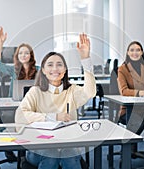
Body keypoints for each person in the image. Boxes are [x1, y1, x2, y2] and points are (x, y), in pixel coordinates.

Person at [15, 33, 96, 169]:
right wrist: (52, 117)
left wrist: (85, 58)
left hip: (67, 144)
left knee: (68, 154)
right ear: (44, 71)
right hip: (39, 146)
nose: (55, 69)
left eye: (59, 65)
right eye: (50, 65)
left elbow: (90, 92)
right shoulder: (36, 91)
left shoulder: (72, 91)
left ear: (65, 70)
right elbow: (20, 115)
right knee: (52, 154)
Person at [0, 26, 37, 97]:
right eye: (20, 53)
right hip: (15, 103)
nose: (23, 55)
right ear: (17, 56)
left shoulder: (38, 70)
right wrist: (0, 42)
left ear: (31, 55)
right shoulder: (14, 69)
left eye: (26, 53)